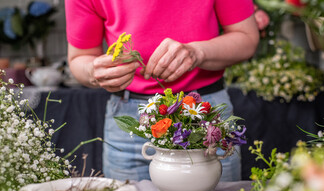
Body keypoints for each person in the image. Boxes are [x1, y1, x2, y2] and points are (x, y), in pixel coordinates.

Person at [65, 0, 259, 181]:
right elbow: (80, 58)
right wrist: (93, 70)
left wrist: (197, 53)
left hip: (204, 112)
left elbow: (247, 39)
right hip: (130, 122)